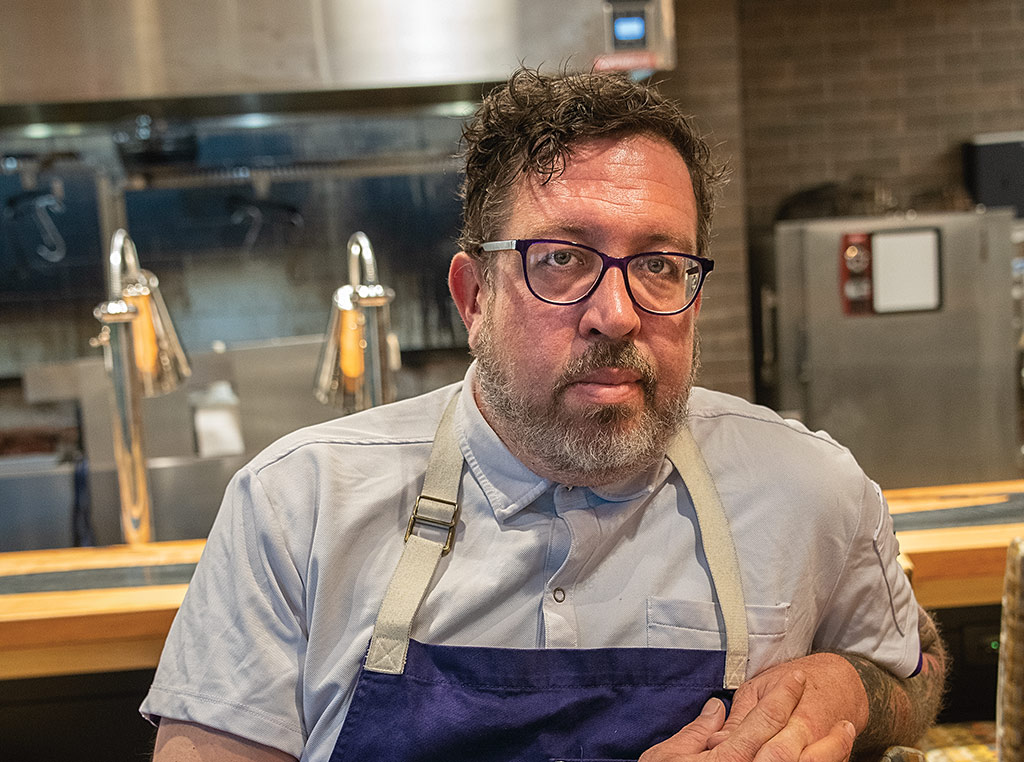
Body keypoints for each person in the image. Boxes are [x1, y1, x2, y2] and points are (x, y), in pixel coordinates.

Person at [143, 68, 946, 762]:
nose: (617, 314)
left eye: (660, 265)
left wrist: (850, 691)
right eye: (562, 260)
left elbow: (916, 672)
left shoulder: (810, 489)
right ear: (473, 296)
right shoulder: (297, 509)